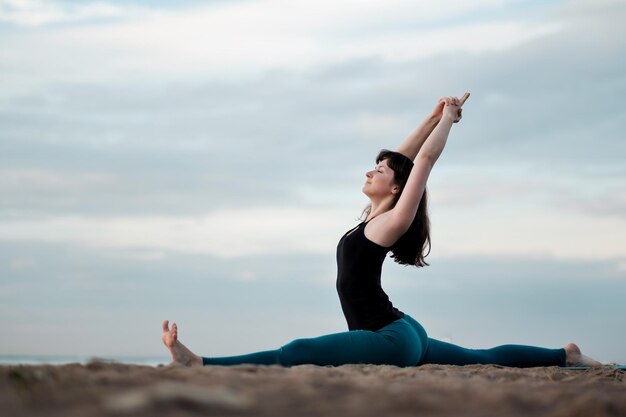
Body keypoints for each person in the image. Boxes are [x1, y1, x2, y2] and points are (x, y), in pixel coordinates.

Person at [162, 93, 601, 368]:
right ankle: (566, 355)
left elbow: (420, 165)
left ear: (395, 187)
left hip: (390, 340)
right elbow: (403, 159)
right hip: (404, 330)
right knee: (481, 359)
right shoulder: (370, 219)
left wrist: (449, 119)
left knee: (297, 351)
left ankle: (201, 362)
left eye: (379, 170)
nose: (371, 170)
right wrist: (430, 117)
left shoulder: (392, 221)